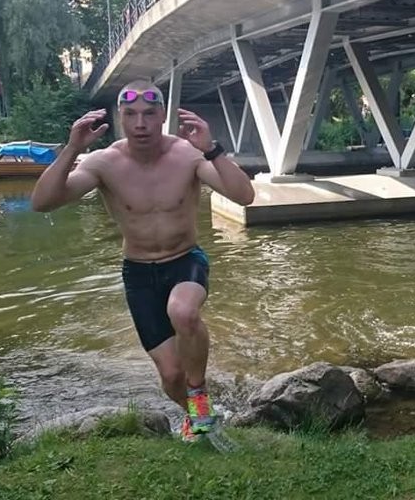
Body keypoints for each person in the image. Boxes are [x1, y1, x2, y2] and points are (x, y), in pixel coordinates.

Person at [31, 79, 255, 441]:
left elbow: (244, 196)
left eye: (150, 114)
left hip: (185, 261)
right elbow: (42, 203)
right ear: (120, 118)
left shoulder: (187, 154)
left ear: (163, 115)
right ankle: (204, 416)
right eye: (131, 114)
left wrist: (212, 149)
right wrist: (72, 148)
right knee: (169, 377)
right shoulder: (104, 163)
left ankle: (198, 395)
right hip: (138, 274)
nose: (140, 124)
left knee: (183, 312)